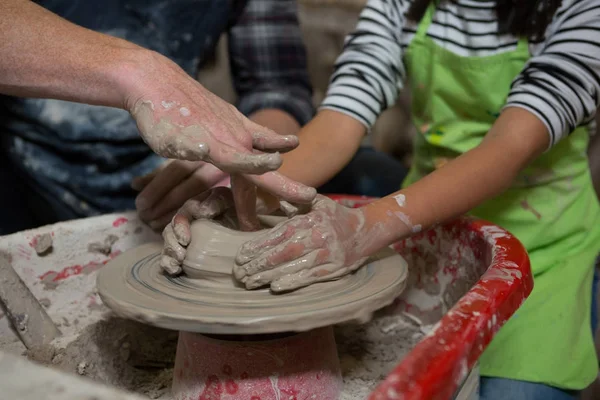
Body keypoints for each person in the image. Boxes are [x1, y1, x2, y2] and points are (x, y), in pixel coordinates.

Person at [163, 0, 600, 398]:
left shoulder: (583, 9)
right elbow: (340, 121)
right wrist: (245, 191)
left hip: (538, 244)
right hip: (428, 230)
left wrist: (362, 227)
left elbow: (509, 150)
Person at [0, 0, 318, 235]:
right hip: (30, 168)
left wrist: (246, 157)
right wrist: (137, 71)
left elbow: (276, 87)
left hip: (176, 165)